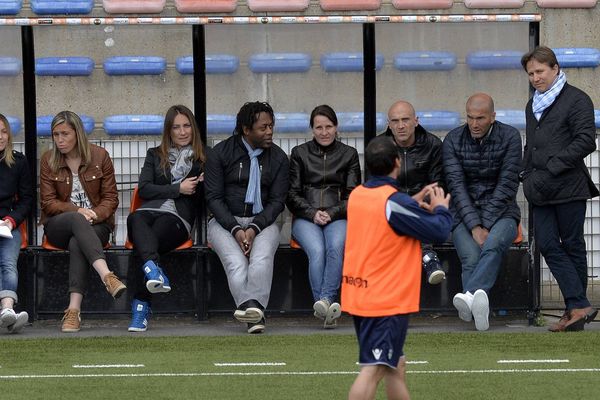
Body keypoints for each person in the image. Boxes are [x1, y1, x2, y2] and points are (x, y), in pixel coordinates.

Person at [342, 136, 452, 400]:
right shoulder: (393, 203)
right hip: (384, 300)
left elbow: (383, 217)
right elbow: (440, 229)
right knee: (374, 369)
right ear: (397, 163)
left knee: (395, 366)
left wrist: (410, 202)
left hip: (360, 293)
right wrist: (441, 209)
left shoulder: (358, 195)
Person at [521, 46, 599, 332]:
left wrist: (552, 166)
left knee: (574, 246)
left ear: (555, 68)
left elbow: (585, 142)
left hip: (569, 185)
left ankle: (574, 313)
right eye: (531, 73)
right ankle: (579, 304)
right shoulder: (532, 104)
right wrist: (525, 173)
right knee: (548, 245)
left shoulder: (578, 99)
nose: (535, 78)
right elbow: (531, 144)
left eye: (540, 71)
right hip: (539, 188)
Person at [205, 101, 289, 334]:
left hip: (264, 222)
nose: (269, 131)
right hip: (224, 221)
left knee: (261, 259)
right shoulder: (220, 153)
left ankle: (250, 308)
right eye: (263, 128)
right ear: (246, 130)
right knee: (236, 263)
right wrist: (235, 229)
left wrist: (253, 227)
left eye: (271, 126)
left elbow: (277, 203)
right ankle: (254, 313)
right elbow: (213, 198)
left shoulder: (280, 158)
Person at [40, 111, 126, 333]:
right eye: (56, 134)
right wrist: (78, 210)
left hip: (97, 225)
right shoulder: (48, 160)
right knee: (77, 221)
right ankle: (107, 276)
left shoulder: (100, 156)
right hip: (59, 224)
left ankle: (73, 311)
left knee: (78, 243)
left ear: (77, 133)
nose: (59, 139)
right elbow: (48, 203)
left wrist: (95, 215)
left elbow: (111, 198)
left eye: (65, 134)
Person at [442, 93, 522, 331]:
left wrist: (485, 224)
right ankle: (480, 313)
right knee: (471, 257)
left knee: (493, 244)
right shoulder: (453, 139)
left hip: (503, 212)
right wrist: (475, 226)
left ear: (493, 117)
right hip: (463, 214)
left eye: (480, 118)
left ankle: (468, 297)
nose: (474, 124)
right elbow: (456, 187)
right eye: (469, 117)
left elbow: (507, 185)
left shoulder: (510, 137)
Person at [126, 105, 205, 332]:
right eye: (176, 127)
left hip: (178, 218)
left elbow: (204, 197)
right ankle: (153, 271)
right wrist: (177, 188)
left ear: (193, 128)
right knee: (134, 219)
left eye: (186, 126)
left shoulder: (204, 158)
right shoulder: (155, 154)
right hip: (148, 211)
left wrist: (201, 185)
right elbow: (144, 189)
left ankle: (141, 305)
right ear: (168, 131)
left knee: (150, 240)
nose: (182, 132)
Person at [287, 105, 361, 329]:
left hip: (337, 215)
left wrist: (331, 212)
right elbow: (291, 194)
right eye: (319, 127)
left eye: (328, 126)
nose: (324, 132)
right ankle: (328, 307)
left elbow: (353, 195)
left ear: (336, 127)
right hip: (305, 217)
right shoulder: (299, 153)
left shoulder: (349, 154)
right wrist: (312, 213)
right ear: (312, 129)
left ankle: (325, 301)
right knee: (317, 250)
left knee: (335, 246)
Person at [381, 100, 446, 285]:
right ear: (389, 124)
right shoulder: (380, 146)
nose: (400, 126)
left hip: (424, 205)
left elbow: (438, 184)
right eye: (395, 121)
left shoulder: (432, 144)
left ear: (416, 121)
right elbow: (377, 185)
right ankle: (428, 257)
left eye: (405, 120)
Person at [0, 114, 33, 333]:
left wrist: (11, 221)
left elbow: (28, 199)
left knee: (8, 262)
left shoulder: (18, 162)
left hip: (7, 225)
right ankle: (7, 313)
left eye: (3, 131)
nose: (0, 136)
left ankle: (7, 310)